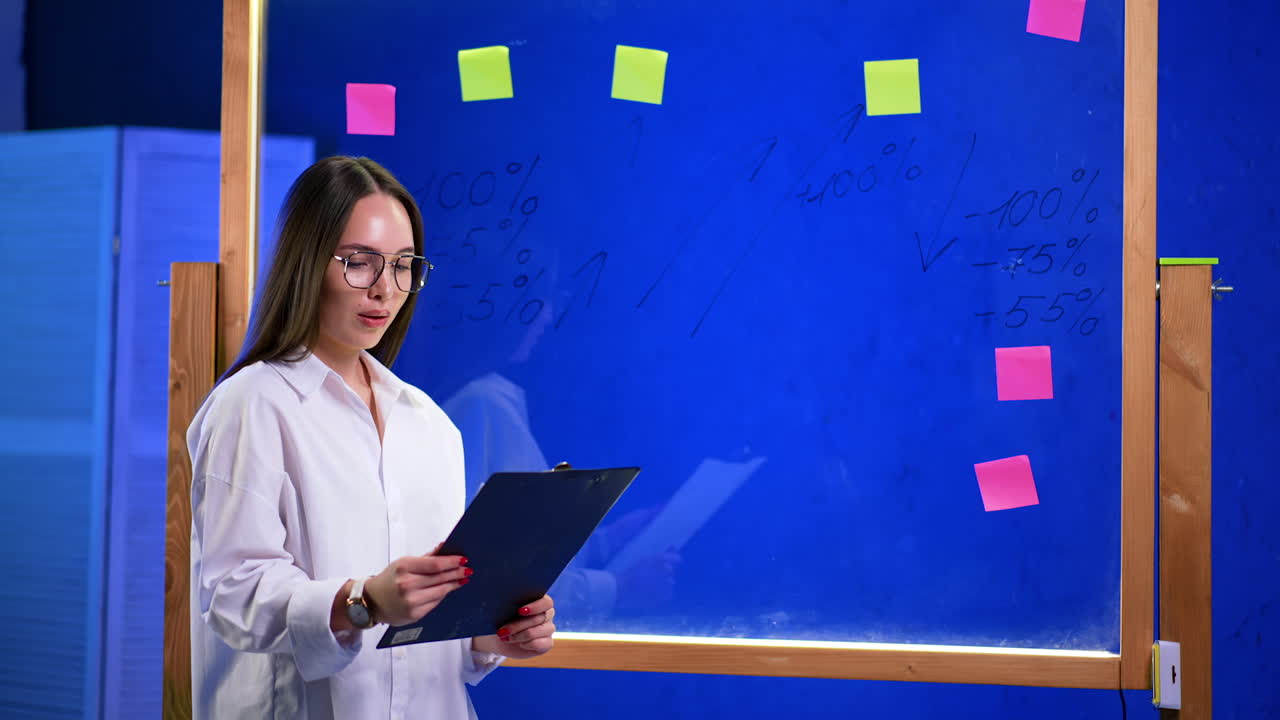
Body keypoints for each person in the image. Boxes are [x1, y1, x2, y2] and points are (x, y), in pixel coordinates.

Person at [186, 156, 555, 719]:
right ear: (308, 262)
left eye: (405, 265)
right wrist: (363, 602)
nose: (385, 289)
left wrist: (490, 637)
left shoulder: (429, 425)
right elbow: (234, 597)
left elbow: (432, 639)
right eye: (360, 263)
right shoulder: (253, 405)